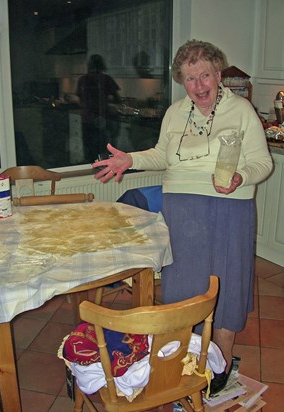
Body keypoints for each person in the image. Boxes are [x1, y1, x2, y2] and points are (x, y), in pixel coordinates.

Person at [91, 39, 273, 394]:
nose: (199, 85)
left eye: (205, 75)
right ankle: (187, 358)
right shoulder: (176, 112)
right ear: (182, 82)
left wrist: (241, 177)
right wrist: (132, 159)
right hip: (181, 210)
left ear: (218, 74)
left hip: (228, 209)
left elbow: (262, 163)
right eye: (190, 79)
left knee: (225, 286)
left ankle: (218, 366)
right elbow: (163, 155)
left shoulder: (241, 111)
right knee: (184, 286)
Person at [76, 54, 121, 163]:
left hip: (87, 119)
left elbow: (81, 99)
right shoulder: (106, 79)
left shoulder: (82, 80)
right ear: (102, 65)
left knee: (89, 151)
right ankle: (103, 173)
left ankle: (89, 172)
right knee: (104, 151)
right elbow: (116, 99)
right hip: (102, 120)